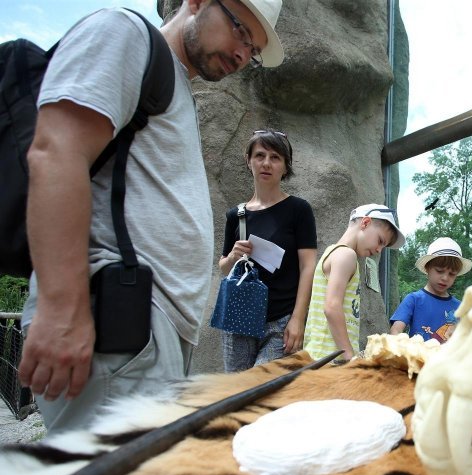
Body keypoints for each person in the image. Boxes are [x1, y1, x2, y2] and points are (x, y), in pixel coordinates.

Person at [19, 0, 287, 433]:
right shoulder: (125, 33)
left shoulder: (176, 85)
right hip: (119, 314)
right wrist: (61, 309)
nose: (242, 54)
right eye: (240, 30)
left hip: (149, 332)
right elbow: (56, 152)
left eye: (253, 50)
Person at [219, 129, 317, 371]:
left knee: (264, 390)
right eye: (260, 155)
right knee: (236, 393)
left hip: (281, 321)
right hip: (238, 317)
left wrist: (298, 319)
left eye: (275, 157)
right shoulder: (237, 215)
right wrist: (233, 256)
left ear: (285, 166)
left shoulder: (298, 209)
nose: (266, 163)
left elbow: (308, 267)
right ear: (249, 160)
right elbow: (223, 267)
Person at [304, 204, 405, 364]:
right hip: (330, 358)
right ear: (365, 223)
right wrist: (349, 356)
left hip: (323, 354)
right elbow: (331, 307)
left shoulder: (334, 252)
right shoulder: (346, 255)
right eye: (380, 241)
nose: (379, 250)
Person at [389, 237, 472, 343]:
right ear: (427, 268)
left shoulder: (460, 307)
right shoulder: (414, 299)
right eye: (439, 271)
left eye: (452, 274)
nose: (445, 278)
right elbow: (395, 331)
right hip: (418, 358)